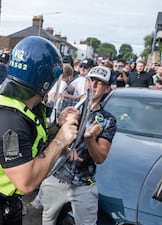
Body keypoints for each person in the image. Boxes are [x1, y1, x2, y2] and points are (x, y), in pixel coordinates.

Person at [0, 36, 79, 225]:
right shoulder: (9, 121)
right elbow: (26, 182)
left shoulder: (22, 103)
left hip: (5, 200)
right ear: (46, 81)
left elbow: (32, 137)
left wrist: (58, 126)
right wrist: (60, 141)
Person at [39, 65, 117, 225]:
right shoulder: (68, 106)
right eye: (91, 80)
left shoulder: (107, 120)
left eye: (100, 83)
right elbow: (44, 139)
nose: (94, 85)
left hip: (84, 183)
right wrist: (63, 145)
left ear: (108, 89)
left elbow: (100, 157)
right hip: (56, 177)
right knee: (47, 220)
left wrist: (90, 140)